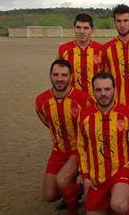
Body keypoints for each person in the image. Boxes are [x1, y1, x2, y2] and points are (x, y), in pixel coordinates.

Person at [35, 59, 94, 215]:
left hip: (79, 150)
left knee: (62, 180)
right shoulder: (41, 101)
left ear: (71, 76)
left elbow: (93, 124)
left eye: (64, 75)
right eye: (55, 75)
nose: (59, 78)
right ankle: (78, 189)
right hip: (58, 151)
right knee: (49, 195)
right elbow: (48, 123)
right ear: (50, 76)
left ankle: (72, 211)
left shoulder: (83, 98)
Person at [77, 72, 129, 215]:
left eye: (107, 89)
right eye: (98, 90)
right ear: (93, 91)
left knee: (119, 206)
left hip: (121, 171)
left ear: (114, 89)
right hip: (96, 176)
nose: (103, 94)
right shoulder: (85, 115)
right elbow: (81, 147)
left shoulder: (127, 112)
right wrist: (85, 177)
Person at [58, 13, 103, 97]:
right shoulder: (63, 49)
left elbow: (105, 76)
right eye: (78, 27)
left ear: (92, 30)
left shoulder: (101, 50)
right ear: (74, 28)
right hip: (71, 98)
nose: (81, 31)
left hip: (95, 99)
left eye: (86, 28)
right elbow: (58, 75)